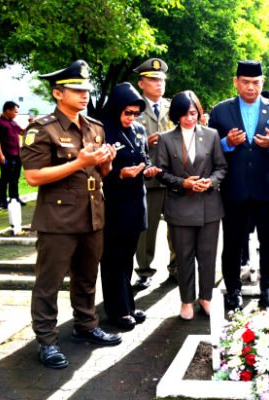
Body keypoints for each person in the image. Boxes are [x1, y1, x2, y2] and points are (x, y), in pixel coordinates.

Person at [21, 60, 121, 369]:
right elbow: (34, 177)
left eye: (86, 89)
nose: (84, 95)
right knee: (49, 282)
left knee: (87, 277)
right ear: (57, 93)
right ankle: (47, 340)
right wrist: (78, 163)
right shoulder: (42, 129)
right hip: (58, 219)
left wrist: (106, 161)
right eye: (76, 90)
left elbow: (102, 172)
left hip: (93, 214)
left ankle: (86, 325)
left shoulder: (95, 127)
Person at [209, 60, 269, 310]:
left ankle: (268, 288)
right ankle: (233, 290)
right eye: (245, 82)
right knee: (232, 243)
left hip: (268, 188)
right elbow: (210, 150)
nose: (251, 87)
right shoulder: (221, 111)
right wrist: (227, 143)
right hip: (235, 189)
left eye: (256, 82)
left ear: (262, 82)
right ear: (236, 82)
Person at [156, 90, 227, 320]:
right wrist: (183, 183)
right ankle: (186, 300)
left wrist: (211, 181)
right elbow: (161, 173)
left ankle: (206, 297)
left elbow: (221, 167)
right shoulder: (166, 139)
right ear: (176, 115)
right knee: (184, 257)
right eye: (184, 114)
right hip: (179, 205)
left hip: (209, 206)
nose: (190, 118)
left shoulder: (211, 135)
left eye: (193, 113)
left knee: (207, 256)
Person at [99, 82, 161, 330]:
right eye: (128, 112)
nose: (132, 118)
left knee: (127, 257)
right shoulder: (104, 130)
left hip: (137, 200)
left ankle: (128, 304)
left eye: (136, 113)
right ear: (116, 109)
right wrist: (118, 174)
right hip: (114, 202)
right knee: (113, 258)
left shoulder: (137, 130)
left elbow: (143, 158)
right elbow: (96, 170)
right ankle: (116, 309)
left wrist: (147, 170)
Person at [133, 58, 175, 289]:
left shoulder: (173, 107)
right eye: (153, 80)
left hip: (173, 177)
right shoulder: (134, 108)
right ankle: (144, 270)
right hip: (148, 178)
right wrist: (145, 143)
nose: (159, 84)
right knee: (146, 229)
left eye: (161, 80)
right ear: (141, 83)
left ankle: (177, 268)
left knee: (178, 227)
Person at [0, 100, 25, 209]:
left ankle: (14, 198)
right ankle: (2, 201)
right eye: (15, 112)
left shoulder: (13, 122)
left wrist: (32, 123)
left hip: (17, 154)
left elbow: (23, 132)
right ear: (8, 110)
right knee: (5, 178)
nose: (16, 114)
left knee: (15, 178)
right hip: (6, 155)